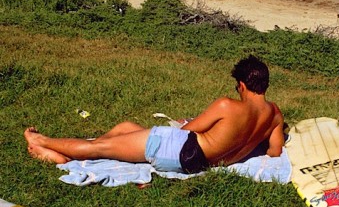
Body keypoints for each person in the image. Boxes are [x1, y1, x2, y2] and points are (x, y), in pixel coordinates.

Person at [24, 56, 284, 174]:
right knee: (124, 127)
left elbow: (185, 132)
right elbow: (274, 151)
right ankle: (66, 155)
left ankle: (42, 142)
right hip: (200, 162)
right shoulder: (274, 115)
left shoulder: (228, 106)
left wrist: (187, 123)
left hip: (182, 150)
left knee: (100, 148)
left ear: (241, 85)